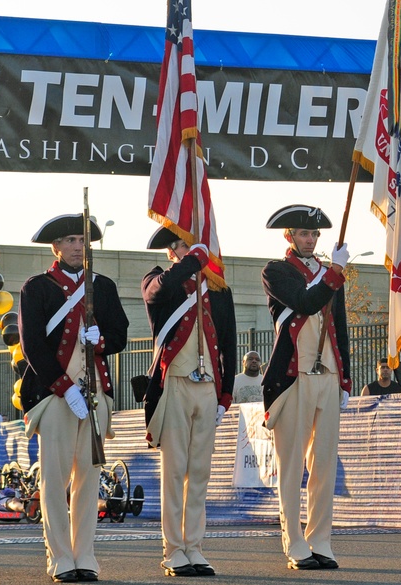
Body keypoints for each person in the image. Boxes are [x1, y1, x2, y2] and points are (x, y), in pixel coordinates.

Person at [18, 212, 129, 584]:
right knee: (55, 480)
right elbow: (32, 344)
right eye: (69, 241)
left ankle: (85, 555)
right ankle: (60, 557)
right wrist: (64, 387)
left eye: (82, 241)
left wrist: (101, 339)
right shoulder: (38, 288)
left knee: (90, 478)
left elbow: (120, 335)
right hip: (55, 395)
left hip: (95, 393)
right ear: (56, 247)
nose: (77, 247)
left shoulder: (103, 285)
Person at [142, 225, 238, 577]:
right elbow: (158, 292)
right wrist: (192, 260)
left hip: (208, 384)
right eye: (183, 245)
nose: (193, 250)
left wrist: (225, 394)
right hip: (176, 383)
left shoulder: (217, 288)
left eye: (196, 245)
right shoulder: (157, 278)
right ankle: (173, 550)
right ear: (171, 252)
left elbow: (229, 342)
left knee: (200, 471)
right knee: (175, 469)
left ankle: (195, 546)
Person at [260, 205, 351, 570]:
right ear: (289, 237)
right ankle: (294, 542)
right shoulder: (276, 271)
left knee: (325, 463)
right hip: (294, 375)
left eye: (314, 234)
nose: (310, 240)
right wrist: (335, 271)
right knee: (292, 461)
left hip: (327, 374)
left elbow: (340, 327)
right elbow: (304, 301)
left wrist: (345, 378)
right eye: (303, 233)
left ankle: (320, 540)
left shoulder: (330, 273)